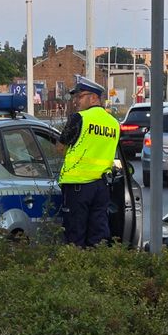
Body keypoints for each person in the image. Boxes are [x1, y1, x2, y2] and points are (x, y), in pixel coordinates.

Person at [58, 75, 120, 247]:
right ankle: (96, 268)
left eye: (80, 96)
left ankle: (76, 270)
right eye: (75, 97)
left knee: (74, 234)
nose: (76, 101)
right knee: (98, 234)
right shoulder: (114, 123)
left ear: (94, 98)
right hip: (101, 186)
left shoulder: (79, 118)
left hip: (77, 185)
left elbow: (59, 148)